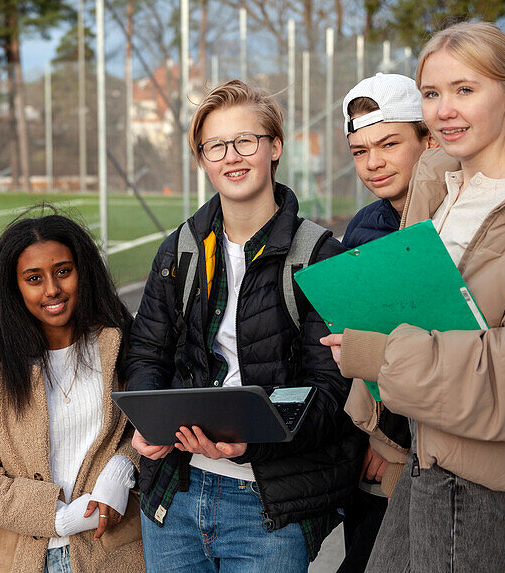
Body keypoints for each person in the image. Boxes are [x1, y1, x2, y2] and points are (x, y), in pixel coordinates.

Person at [321, 22, 505, 572]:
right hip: (427, 457)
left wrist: (383, 356)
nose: (445, 109)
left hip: (477, 477)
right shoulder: (442, 194)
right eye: (432, 94)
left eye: (465, 90)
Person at [124, 80, 364, 571]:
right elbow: (146, 353)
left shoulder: (320, 256)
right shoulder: (179, 252)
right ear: (203, 159)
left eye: (246, 141)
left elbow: (333, 392)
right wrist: (148, 421)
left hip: (267, 508)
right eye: (215, 145)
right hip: (175, 496)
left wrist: (252, 441)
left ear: (274, 147)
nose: (232, 156)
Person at [0, 212, 144, 573]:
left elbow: (150, 425)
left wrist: (122, 468)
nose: (52, 289)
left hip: (116, 554)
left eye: (63, 271)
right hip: (18, 560)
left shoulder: (121, 346)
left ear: (83, 271)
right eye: (34, 278)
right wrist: (58, 519)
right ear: (15, 288)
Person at [337, 72, 433, 573]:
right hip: (371, 439)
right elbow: (363, 338)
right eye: (359, 151)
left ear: (428, 138)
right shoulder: (364, 226)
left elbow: (454, 341)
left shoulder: (457, 219)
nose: (373, 163)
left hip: (427, 448)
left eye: (389, 143)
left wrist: (392, 441)